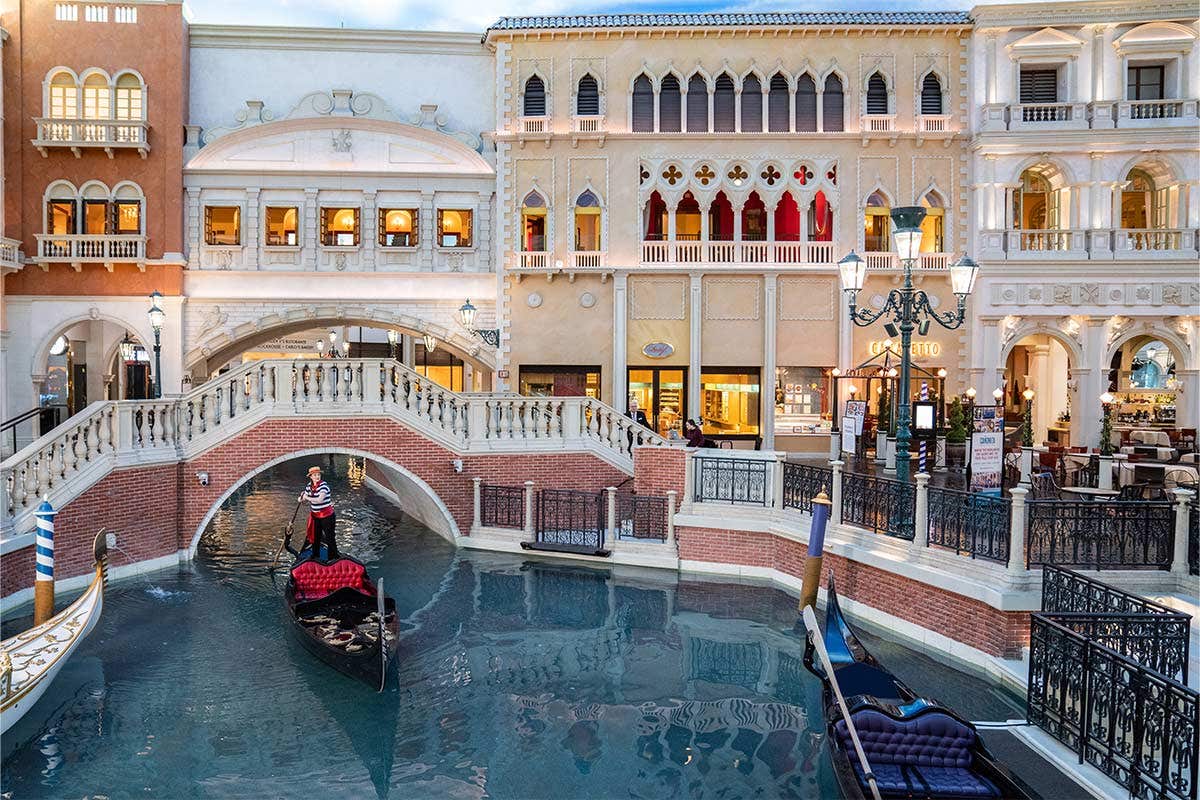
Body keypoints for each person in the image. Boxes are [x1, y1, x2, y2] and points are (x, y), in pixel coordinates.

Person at [299, 466, 339, 560]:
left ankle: (333, 558)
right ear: (311, 477)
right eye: (315, 475)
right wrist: (301, 499)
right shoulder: (309, 486)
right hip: (315, 517)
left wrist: (306, 497)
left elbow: (319, 500)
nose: (317, 477)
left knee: (330, 537)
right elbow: (304, 501)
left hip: (327, 517)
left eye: (318, 474)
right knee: (315, 537)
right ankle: (315, 555)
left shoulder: (324, 486)